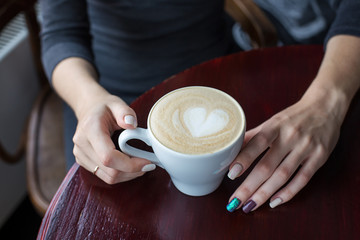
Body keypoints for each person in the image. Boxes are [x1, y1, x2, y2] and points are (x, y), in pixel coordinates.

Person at [39, 0, 360, 214]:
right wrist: (87, 100)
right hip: (109, 98)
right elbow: (60, 34)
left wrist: (326, 101)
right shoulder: (98, 99)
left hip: (220, 77)